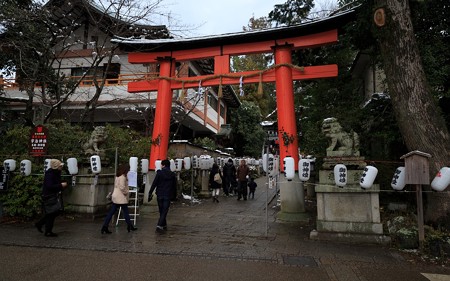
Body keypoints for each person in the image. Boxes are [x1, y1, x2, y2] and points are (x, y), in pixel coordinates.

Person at [101, 164, 137, 234]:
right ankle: (130, 226)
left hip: (116, 196)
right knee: (126, 212)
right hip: (121, 197)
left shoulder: (118, 176)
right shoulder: (122, 177)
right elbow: (122, 187)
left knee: (111, 212)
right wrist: (127, 192)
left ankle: (104, 226)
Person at [35, 159, 68, 237]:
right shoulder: (50, 174)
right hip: (49, 196)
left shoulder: (56, 173)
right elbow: (49, 186)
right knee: (52, 213)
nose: (61, 167)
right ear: (56, 166)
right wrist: (61, 185)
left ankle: (43, 226)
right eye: (60, 166)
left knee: (53, 212)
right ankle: (45, 229)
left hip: (53, 195)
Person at [148, 159, 177, 234]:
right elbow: (174, 186)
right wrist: (174, 195)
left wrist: (150, 192)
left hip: (160, 194)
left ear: (163, 165)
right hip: (168, 194)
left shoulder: (159, 173)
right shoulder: (172, 174)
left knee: (161, 210)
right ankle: (162, 224)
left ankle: (161, 224)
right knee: (165, 210)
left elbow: (154, 183)